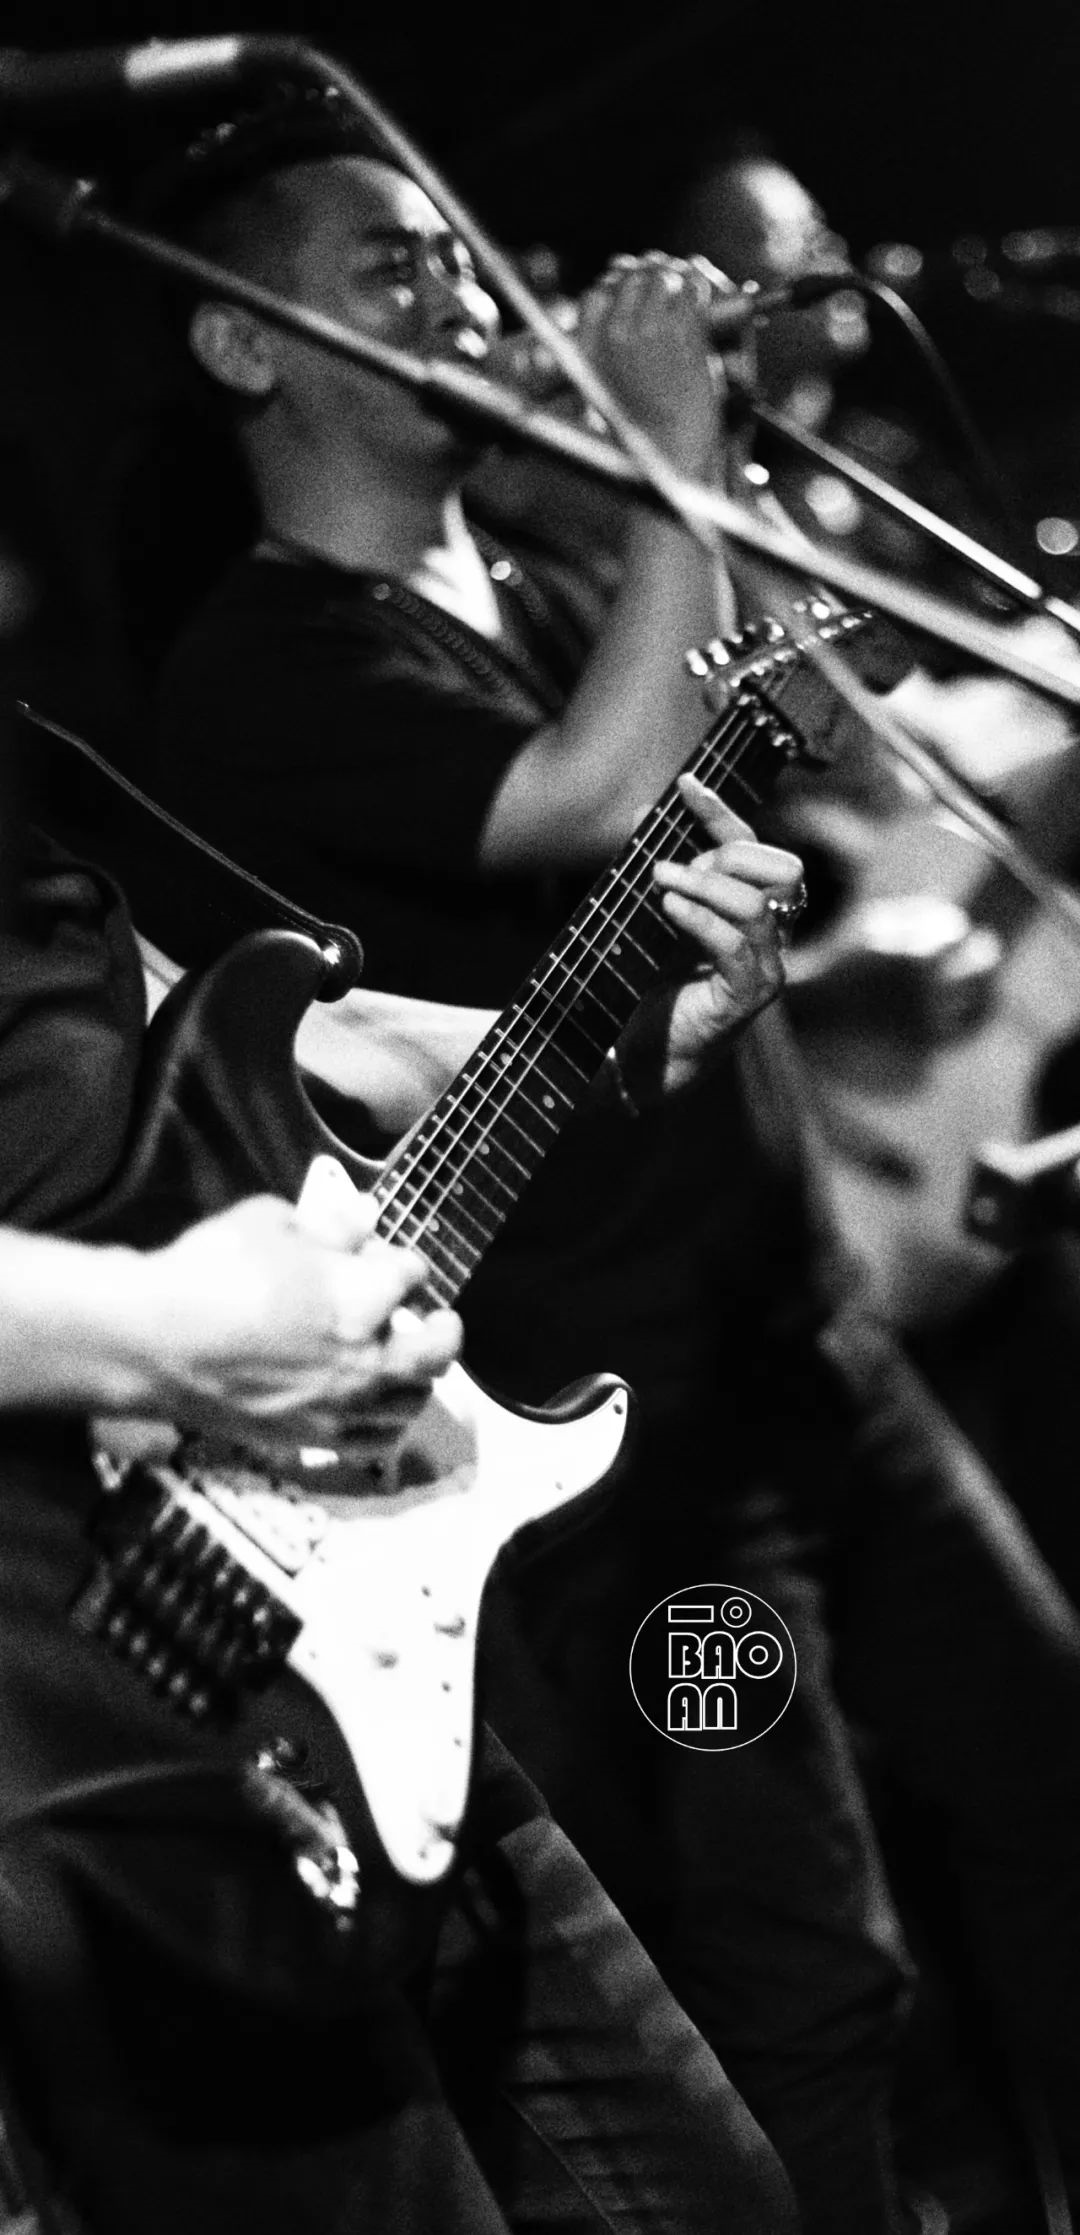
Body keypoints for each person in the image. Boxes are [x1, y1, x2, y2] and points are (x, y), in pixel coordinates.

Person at [138, 92, 1080, 2235]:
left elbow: (795, 729)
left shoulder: (555, 571)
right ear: (243, 343)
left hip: (811, 1335)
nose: (463, 298)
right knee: (809, 1969)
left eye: (461, 259)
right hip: (633, 1470)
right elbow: (587, 796)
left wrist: (744, 477)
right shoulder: (263, 665)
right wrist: (665, 455)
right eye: (391, 265)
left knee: (1049, 1779)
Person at [0, 781, 803, 2235]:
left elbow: (258, 1038)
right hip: (71, 1708)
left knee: (715, 2200)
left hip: (304, 1606)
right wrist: (164, 1327)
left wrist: (623, 1036)